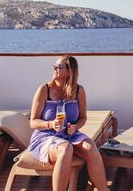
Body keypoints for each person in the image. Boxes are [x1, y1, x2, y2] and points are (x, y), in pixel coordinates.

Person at [28, 55, 108, 191]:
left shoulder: (78, 91)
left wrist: (75, 127)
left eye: (58, 67)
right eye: (54, 66)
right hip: (46, 137)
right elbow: (33, 122)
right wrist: (50, 124)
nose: (54, 69)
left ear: (69, 71)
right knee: (66, 148)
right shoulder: (44, 90)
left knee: (91, 148)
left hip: (70, 134)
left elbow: (83, 117)